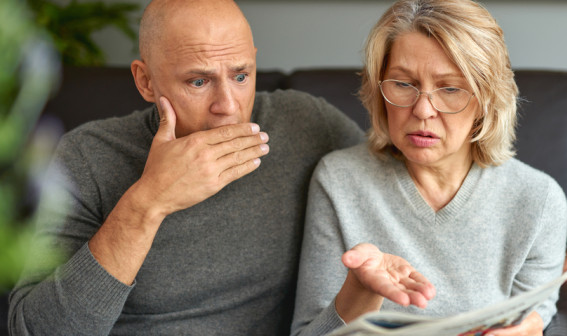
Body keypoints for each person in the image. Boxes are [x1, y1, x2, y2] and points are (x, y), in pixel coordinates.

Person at [8, 0, 365, 335]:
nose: (227, 105)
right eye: (199, 81)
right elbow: (36, 328)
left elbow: (396, 176)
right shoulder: (86, 155)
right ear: (145, 81)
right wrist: (147, 202)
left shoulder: (307, 124)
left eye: (241, 76)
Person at [291, 1, 567, 335]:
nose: (423, 109)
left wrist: (529, 328)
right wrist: (360, 290)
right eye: (402, 84)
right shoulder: (339, 180)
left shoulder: (539, 200)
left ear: (486, 99)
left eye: (450, 88)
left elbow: (534, 312)